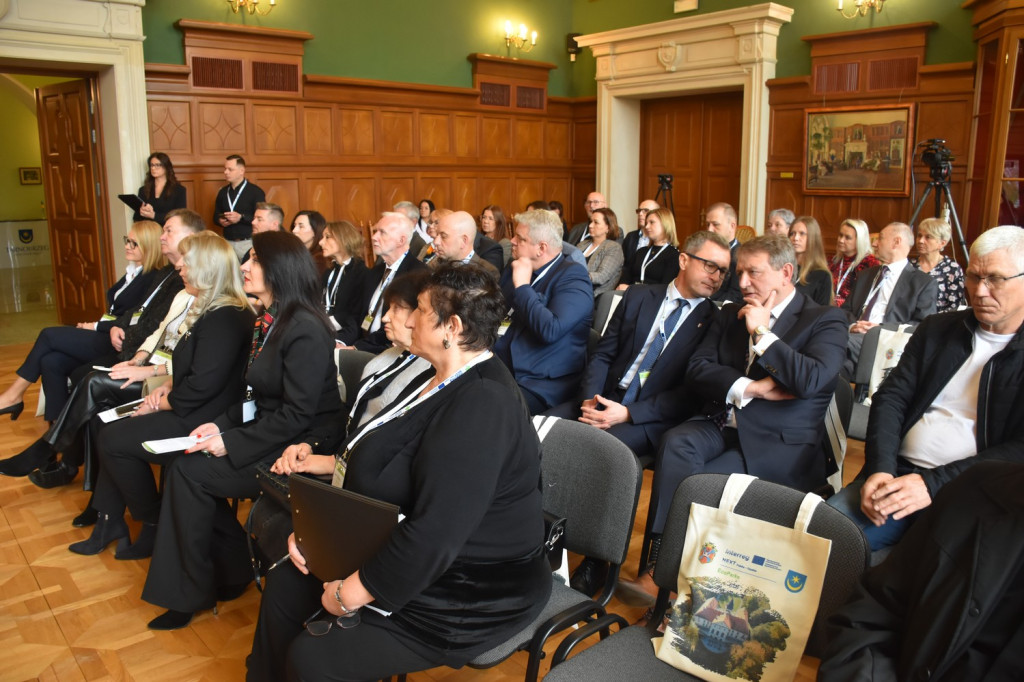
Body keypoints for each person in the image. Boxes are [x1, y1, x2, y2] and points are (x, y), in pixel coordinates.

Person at [246, 263, 551, 682]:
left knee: (316, 658)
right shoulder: (433, 375)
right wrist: (321, 537)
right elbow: (370, 460)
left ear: (452, 326)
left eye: (420, 310)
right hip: (401, 541)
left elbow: (436, 532)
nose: (407, 319)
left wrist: (351, 590)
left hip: (471, 587)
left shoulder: (484, 404)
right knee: (285, 585)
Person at [140, 230, 345, 631]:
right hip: (269, 430)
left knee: (188, 473)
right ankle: (229, 570)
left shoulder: (304, 327)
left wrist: (229, 442)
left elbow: (296, 416)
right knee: (184, 465)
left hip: (299, 445)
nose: (245, 267)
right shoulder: (268, 319)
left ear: (280, 270)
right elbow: (257, 396)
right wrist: (216, 425)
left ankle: (193, 591)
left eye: (254, 260)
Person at [629, 235, 848, 602]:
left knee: (701, 483)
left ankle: (674, 584)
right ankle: (657, 561)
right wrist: (752, 388)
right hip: (719, 419)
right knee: (675, 445)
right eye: (740, 271)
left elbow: (809, 379)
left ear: (785, 273)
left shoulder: (825, 319)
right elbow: (698, 370)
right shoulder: (731, 312)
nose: (742, 282)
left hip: (773, 441)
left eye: (753, 273)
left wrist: (763, 334)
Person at [827, 225, 1024, 550]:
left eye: (995, 279)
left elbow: (1018, 450)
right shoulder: (937, 330)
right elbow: (891, 398)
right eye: (973, 277)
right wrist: (880, 470)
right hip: (896, 475)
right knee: (820, 538)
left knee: (928, 584)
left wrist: (931, 485)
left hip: (976, 495)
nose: (979, 291)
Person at [67, 232, 254, 559]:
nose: (179, 268)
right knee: (108, 429)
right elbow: (193, 371)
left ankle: (152, 522)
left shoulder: (225, 317)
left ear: (206, 269)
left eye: (186, 262)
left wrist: (158, 403)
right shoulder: (211, 308)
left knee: (113, 439)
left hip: (203, 420)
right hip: (192, 407)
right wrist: (166, 388)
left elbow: (202, 387)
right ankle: (111, 521)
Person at [0, 210, 203, 483]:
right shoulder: (168, 275)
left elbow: (168, 341)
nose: (162, 237)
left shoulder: (189, 284)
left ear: (191, 238)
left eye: (168, 231)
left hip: (155, 370)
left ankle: (50, 445)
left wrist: (132, 352)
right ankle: (58, 454)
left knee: (71, 362)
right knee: (52, 362)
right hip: (137, 354)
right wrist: (129, 345)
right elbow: (150, 325)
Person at [819, 461, 1024, 681]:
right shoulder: (977, 489)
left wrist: (931, 483)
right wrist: (883, 466)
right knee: (822, 536)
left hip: (935, 482)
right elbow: (876, 609)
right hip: (904, 475)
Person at [0, 220, 164, 424]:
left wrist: (95, 326)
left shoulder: (151, 277)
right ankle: (58, 427)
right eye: (127, 240)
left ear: (150, 246)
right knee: (50, 361)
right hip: (106, 333)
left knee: (48, 335)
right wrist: (98, 324)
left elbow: (131, 318)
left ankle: (14, 395)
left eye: (134, 243)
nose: (127, 246)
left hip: (116, 342)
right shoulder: (133, 272)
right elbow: (116, 312)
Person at [494, 209, 593, 414]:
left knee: (485, 410)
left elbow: (550, 329)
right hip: (500, 366)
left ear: (541, 248)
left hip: (539, 381)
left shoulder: (573, 277)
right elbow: (495, 313)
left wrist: (522, 287)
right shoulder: (517, 267)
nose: (511, 241)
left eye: (520, 238)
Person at [840, 221, 938, 377]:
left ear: (896, 242)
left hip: (886, 342)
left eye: (880, 238)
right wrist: (852, 326)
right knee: (840, 365)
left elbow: (922, 325)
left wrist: (879, 328)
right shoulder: (866, 275)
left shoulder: (922, 284)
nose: (875, 243)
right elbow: (845, 310)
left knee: (831, 344)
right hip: (852, 338)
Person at [352, 212, 429, 354]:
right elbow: (357, 316)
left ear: (401, 240)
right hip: (361, 345)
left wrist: (357, 348)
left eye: (382, 233)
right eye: (375, 232)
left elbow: (404, 326)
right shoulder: (374, 273)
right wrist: (344, 342)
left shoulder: (418, 275)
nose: (374, 237)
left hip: (390, 349)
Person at [320, 220, 369, 346]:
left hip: (345, 337)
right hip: (323, 330)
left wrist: (340, 341)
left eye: (327, 237)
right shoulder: (329, 272)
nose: (321, 242)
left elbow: (356, 318)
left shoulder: (361, 273)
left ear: (344, 239)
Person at [214, 154, 266, 261]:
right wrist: (220, 221)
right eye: (225, 169)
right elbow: (215, 216)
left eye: (230, 169)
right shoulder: (223, 192)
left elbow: (262, 219)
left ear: (241, 171)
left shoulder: (256, 192)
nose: (225, 172)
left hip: (247, 242)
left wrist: (241, 217)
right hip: (227, 242)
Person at [909, 217, 966, 313]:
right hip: (908, 322)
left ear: (942, 243)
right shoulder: (909, 266)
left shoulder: (952, 269)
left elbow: (955, 306)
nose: (920, 241)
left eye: (928, 237)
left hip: (940, 322)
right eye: (919, 236)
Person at [618, 207, 680, 289]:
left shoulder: (674, 255)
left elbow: (664, 287)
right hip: (629, 295)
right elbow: (625, 277)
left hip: (651, 298)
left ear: (665, 224)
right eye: (646, 223)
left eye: (652, 222)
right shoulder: (641, 252)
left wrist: (632, 289)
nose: (646, 227)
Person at [429, 211, 499, 276]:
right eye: (437, 235)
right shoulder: (436, 265)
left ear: (463, 241)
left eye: (443, 236)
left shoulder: (487, 273)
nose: (436, 242)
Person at [829, 218, 879, 307]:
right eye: (840, 235)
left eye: (847, 237)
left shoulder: (870, 264)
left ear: (859, 240)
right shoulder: (833, 261)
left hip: (851, 312)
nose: (841, 240)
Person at [789, 215, 834, 305]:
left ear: (813, 238)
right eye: (792, 233)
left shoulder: (821, 275)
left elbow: (821, 312)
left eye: (802, 234)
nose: (796, 238)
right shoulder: (784, 267)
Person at [580, 207, 624, 296]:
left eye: (596, 222)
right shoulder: (582, 244)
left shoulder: (614, 247)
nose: (590, 225)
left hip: (594, 295)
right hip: (573, 287)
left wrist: (576, 276)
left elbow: (602, 276)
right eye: (590, 222)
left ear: (608, 227)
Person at [133, 152, 187, 226]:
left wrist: (154, 215)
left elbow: (180, 216)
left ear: (166, 167)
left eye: (157, 165)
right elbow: (136, 218)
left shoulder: (179, 190)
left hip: (169, 231)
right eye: (151, 165)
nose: (153, 168)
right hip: (148, 232)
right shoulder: (143, 190)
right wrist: (143, 212)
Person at [704, 202, 743, 303]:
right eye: (708, 224)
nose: (709, 230)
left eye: (715, 224)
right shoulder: (703, 251)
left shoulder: (741, 257)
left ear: (732, 226)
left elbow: (735, 296)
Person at [620, 199, 660, 273]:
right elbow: (622, 263)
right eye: (639, 211)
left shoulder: (660, 239)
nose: (640, 214)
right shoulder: (630, 236)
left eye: (645, 211)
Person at [291, 210, 330, 275]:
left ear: (315, 231)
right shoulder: (293, 253)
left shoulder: (320, 259)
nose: (294, 230)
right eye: (294, 226)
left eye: (301, 226)